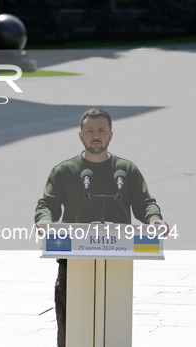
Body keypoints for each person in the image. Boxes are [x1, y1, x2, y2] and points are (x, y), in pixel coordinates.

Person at [34, 108, 168, 347]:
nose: (96, 136)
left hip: (117, 265)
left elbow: (145, 204)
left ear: (111, 135)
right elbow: (48, 204)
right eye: (90, 131)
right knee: (72, 332)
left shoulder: (126, 170)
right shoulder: (64, 171)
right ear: (80, 135)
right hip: (72, 263)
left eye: (101, 131)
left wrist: (154, 220)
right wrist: (44, 220)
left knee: (113, 330)